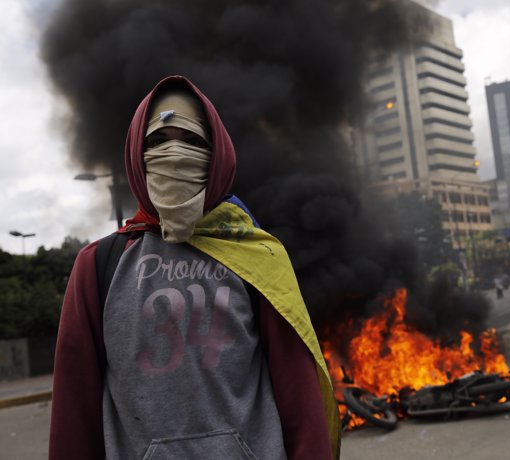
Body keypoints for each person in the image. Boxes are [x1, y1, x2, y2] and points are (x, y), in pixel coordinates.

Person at [49, 76, 340, 460]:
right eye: (157, 142)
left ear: (216, 153)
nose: (174, 154)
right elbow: (74, 413)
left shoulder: (258, 257)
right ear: (137, 157)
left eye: (191, 141)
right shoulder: (99, 266)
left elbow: (299, 400)